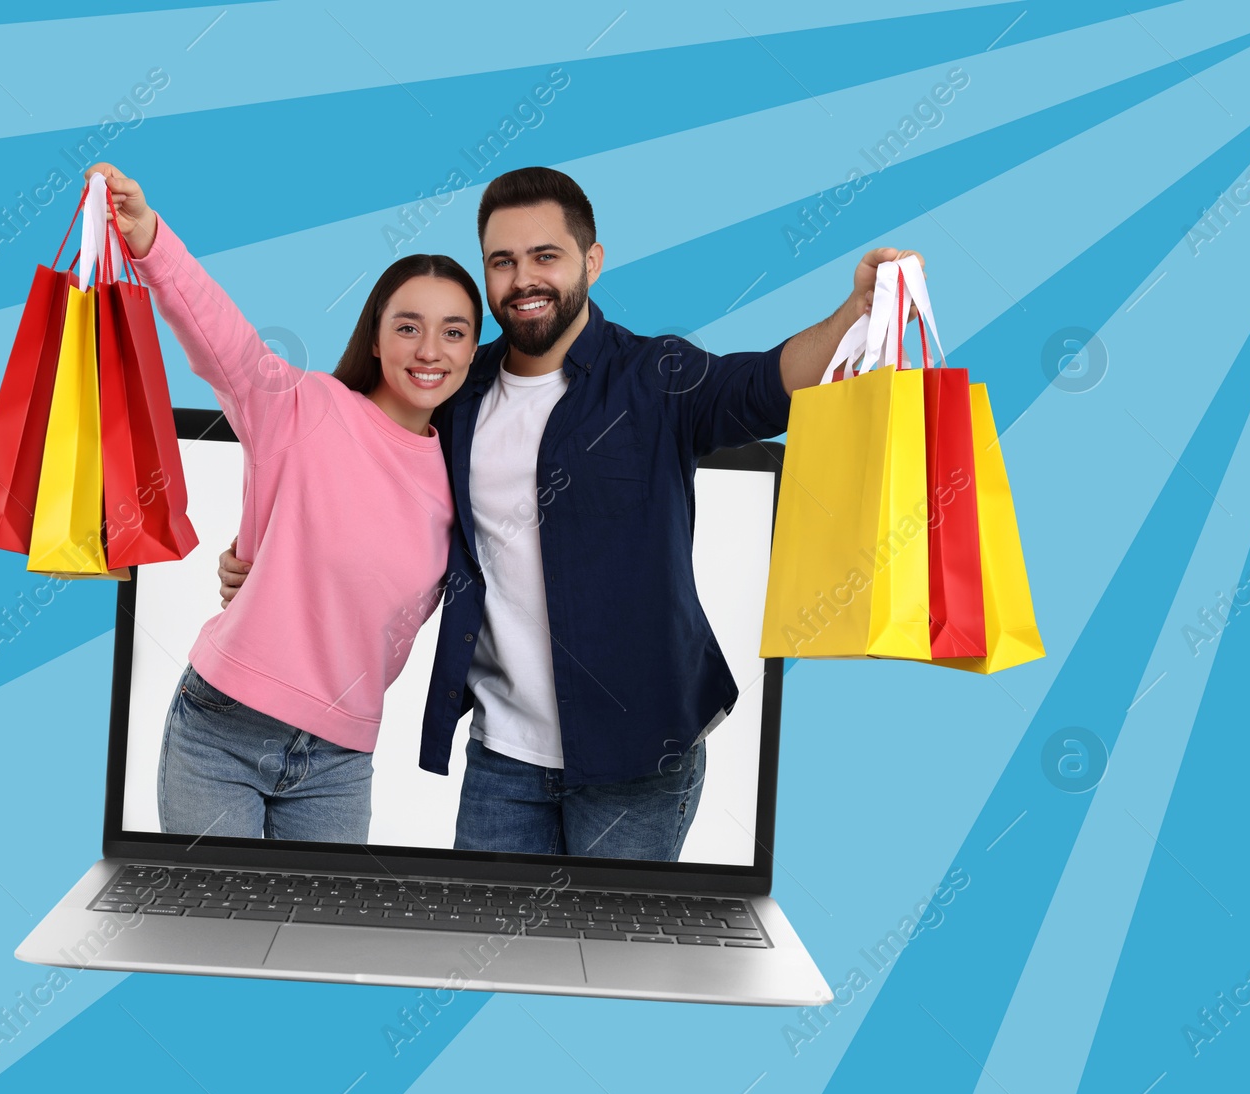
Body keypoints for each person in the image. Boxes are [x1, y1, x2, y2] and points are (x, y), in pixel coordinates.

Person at [218, 166, 924, 860]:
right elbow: (360, 473)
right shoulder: (456, 395)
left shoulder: (657, 377)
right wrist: (267, 558)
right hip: (501, 762)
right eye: (503, 262)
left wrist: (852, 315)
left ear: (591, 261)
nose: (523, 279)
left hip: (641, 758)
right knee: (481, 965)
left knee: (612, 966)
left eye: (545, 257)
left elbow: (770, 384)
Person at [82, 162, 482, 844]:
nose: (430, 350)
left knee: (316, 945)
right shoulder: (305, 407)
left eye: (454, 331)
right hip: (223, 730)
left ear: (475, 350)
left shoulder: (464, 477)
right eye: (409, 326)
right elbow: (223, 343)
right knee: (212, 937)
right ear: (377, 333)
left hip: (341, 758)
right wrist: (149, 237)